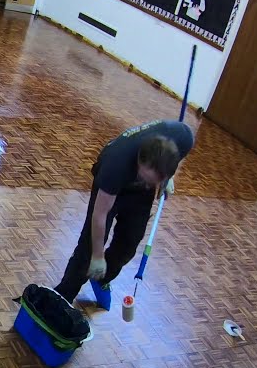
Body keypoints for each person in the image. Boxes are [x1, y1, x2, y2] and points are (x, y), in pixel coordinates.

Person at [55, 119, 193, 310]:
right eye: (149, 179)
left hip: (138, 191)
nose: (151, 184)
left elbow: (169, 165)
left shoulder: (183, 137)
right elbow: (99, 216)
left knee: (128, 245)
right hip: (113, 188)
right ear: (140, 162)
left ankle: (102, 277)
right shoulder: (115, 166)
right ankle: (61, 297)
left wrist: (166, 178)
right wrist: (97, 256)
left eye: (155, 179)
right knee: (89, 248)